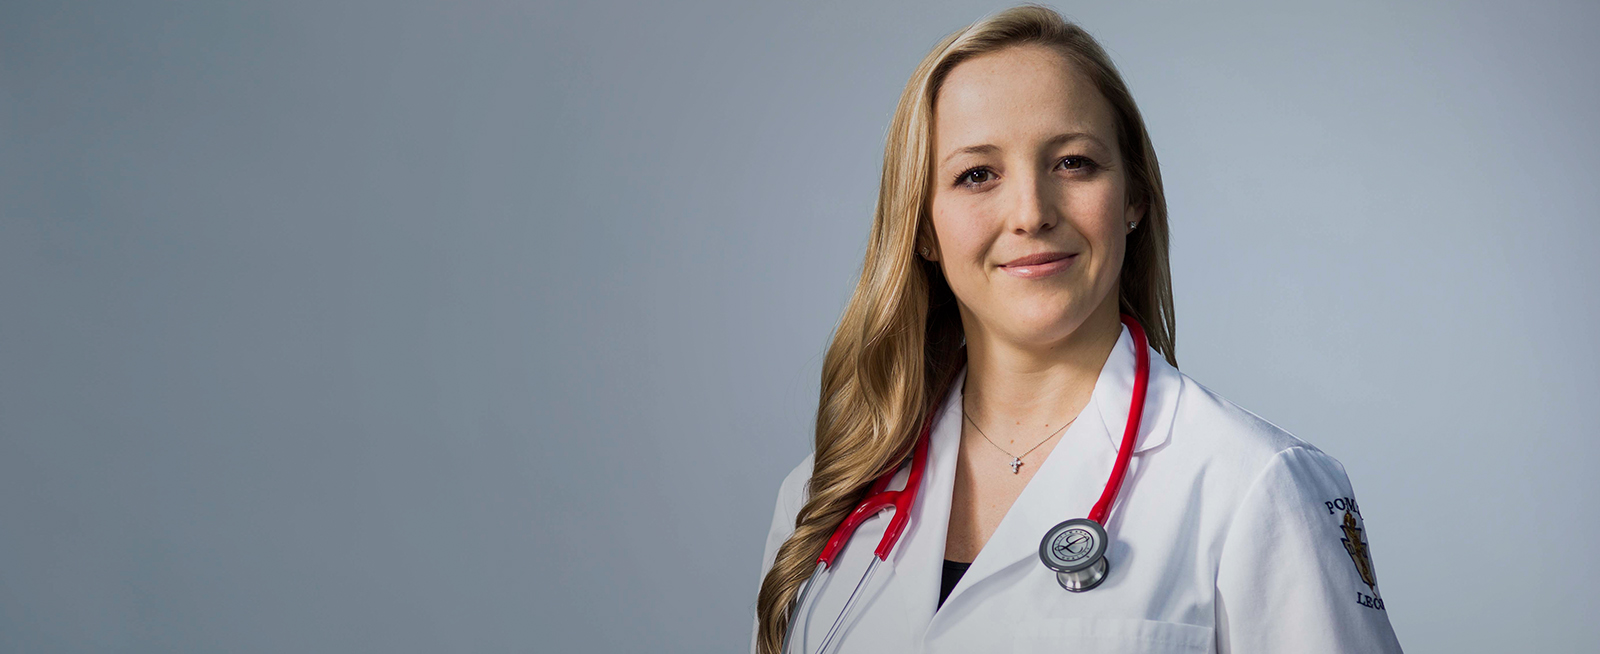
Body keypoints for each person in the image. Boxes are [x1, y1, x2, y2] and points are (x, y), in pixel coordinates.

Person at [752, 5, 1403, 654]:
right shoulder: (822, 502)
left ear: (1134, 199)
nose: (1031, 213)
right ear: (923, 227)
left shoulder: (1258, 486)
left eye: (1072, 163)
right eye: (977, 174)